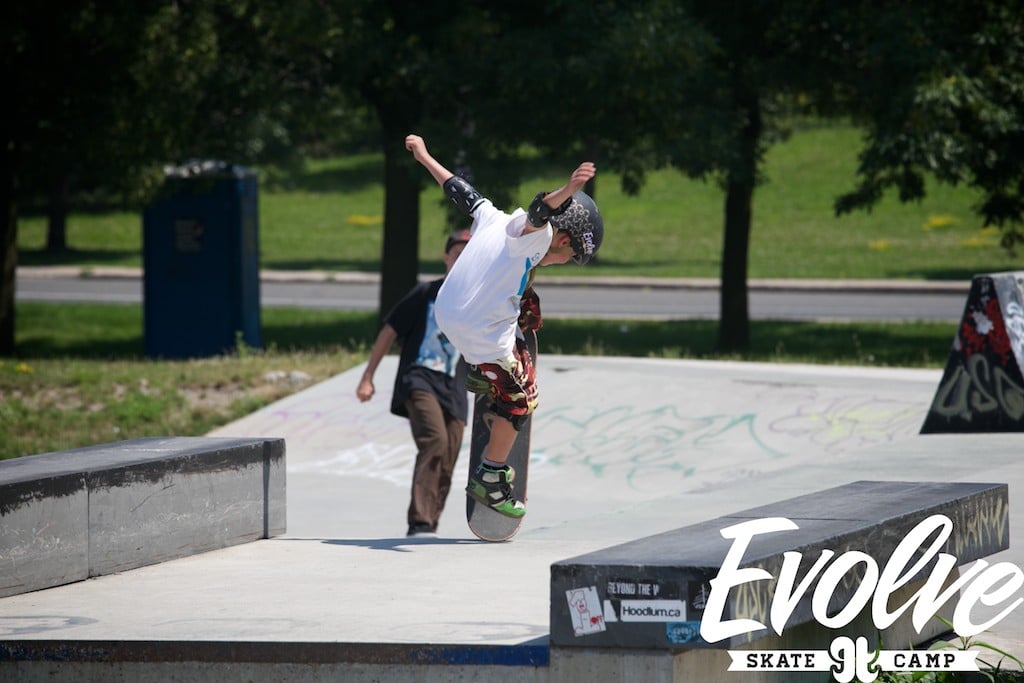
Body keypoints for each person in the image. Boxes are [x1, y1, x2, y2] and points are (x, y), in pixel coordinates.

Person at [404, 133, 603, 518]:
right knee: (522, 399)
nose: (563, 261)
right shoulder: (536, 235)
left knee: (526, 296)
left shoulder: (493, 216)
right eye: (570, 256)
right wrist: (570, 189)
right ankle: (490, 477)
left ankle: (481, 372)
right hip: (481, 332)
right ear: (563, 238)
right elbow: (540, 212)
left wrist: (425, 156)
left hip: (447, 313)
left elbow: (459, 190)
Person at [356, 229, 471, 537]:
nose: (462, 261)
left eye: (469, 256)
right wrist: (367, 377)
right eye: (458, 255)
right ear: (446, 258)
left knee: (448, 456)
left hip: (456, 389)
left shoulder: (478, 301)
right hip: (420, 379)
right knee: (435, 441)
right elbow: (389, 331)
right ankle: (419, 521)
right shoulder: (425, 293)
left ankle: (429, 525)